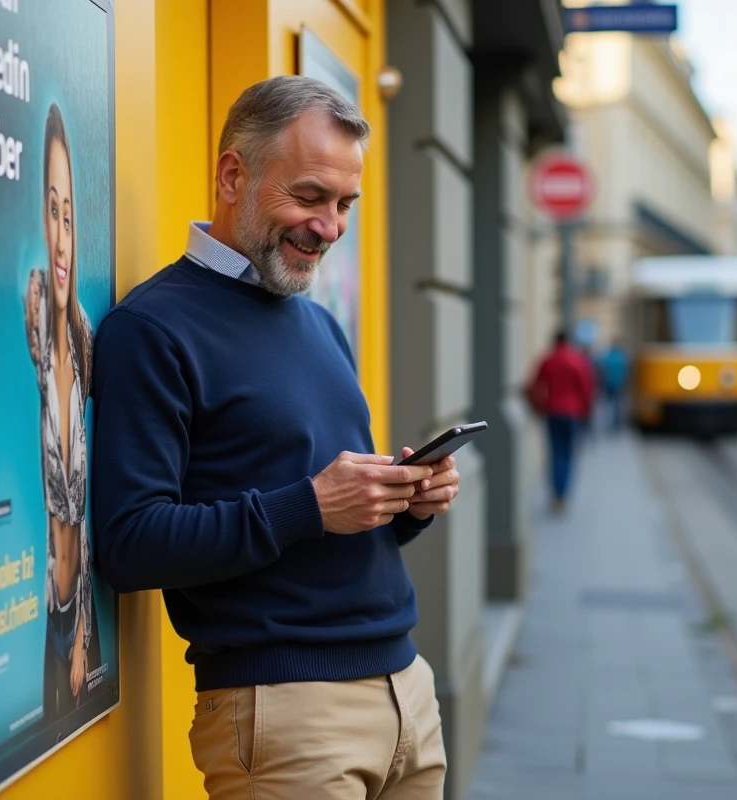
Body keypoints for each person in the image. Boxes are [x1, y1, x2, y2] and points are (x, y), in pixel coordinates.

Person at [91, 77, 460, 798]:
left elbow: (322, 517)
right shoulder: (152, 329)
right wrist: (314, 505)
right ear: (234, 175)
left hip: (407, 691)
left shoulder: (319, 322)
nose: (329, 226)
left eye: (345, 204)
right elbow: (130, 543)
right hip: (286, 713)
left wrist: (403, 504)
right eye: (310, 197)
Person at [23, 104, 100, 724]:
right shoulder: (39, 328)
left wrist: (81, 644)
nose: (62, 234)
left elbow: (93, 510)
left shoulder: (86, 341)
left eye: (69, 215)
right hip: (47, 606)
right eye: (52, 212)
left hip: (79, 622)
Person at [527, 331, 596, 512]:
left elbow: (534, 386)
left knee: (555, 452)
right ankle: (563, 494)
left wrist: (538, 407)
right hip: (573, 413)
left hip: (552, 411)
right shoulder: (577, 360)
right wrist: (587, 412)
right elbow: (586, 388)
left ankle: (556, 494)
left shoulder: (548, 360)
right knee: (568, 453)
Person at [598, 339, 630, 431]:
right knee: (618, 405)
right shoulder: (621, 358)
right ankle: (617, 424)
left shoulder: (607, 357)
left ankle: (608, 423)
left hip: (608, 384)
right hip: (619, 384)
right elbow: (626, 372)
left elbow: (602, 372)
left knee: (608, 404)